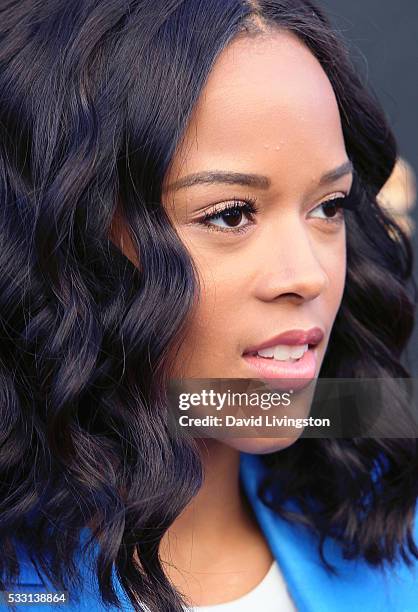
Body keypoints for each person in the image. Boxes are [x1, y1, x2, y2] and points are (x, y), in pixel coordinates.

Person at [0, 1, 417, 610]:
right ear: (66, 238)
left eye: (328, 207)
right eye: (230, 214)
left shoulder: (395, 528)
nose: (307, 275)